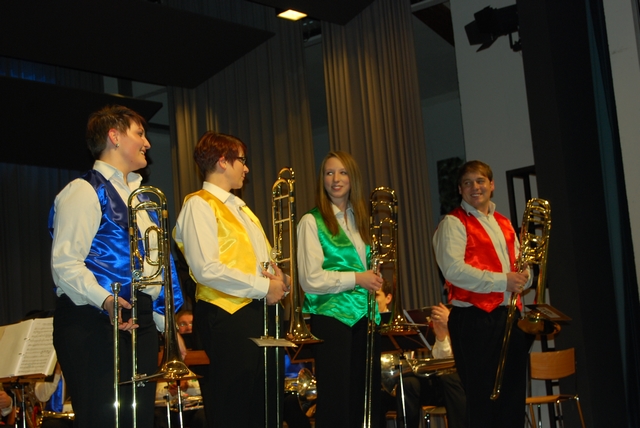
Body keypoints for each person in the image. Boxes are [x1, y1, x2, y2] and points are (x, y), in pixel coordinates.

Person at [49, 105, 184, 428]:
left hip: (140, 319)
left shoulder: (142, 198)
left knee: (138, 419)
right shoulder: (84, 191)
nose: (147, 143)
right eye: (140, 134)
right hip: (93, 320)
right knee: (104, 419)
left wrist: (166, 326)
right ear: (114, 136)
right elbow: (65, 264)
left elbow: (151, 272)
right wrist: (106, 300)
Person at [173, 131, 289, 427]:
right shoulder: (199, 204)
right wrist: (265, 287)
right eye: (242, 160)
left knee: (265, 408)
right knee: (234, 408)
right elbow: (206, 269)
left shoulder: (241, 208)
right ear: (223, 161)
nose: (246, 168)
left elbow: (256, 262)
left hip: (258, 314)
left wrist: (279, 278)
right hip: (227, 316)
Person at [432, 160, 533, 427]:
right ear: (460, 189)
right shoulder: (453, 223)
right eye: (467, 183)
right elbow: (453, 270)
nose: (474, 187)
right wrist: (504, 281)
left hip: (509, 318)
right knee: (483, 403)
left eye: (480, 181)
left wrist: (526, 276)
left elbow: (520, 265)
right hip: (475, 320)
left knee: (512, 402)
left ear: (492, 185)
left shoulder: (504, 223)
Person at [297, 150, 384, 428]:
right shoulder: (311, 221)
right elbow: (310, 279)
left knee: (366, 398)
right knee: (337, 401)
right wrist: (358, 279)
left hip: (365, 317)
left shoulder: (362, 221)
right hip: (331, 319)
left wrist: (375, 283)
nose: (336, 179)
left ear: (352, 178)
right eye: (329, 173)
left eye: (342, 172)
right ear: (322, 179)